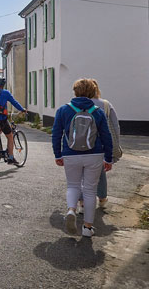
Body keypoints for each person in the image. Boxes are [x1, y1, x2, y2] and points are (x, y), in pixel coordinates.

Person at [52, 78, 113, 238]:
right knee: (90, 190)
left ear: (75, 91)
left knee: (73, 185)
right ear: (93, 93)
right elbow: (106, 136)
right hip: (94, 154)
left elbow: (56, 134)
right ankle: (87, 228)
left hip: (70, 154)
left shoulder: (63, 110)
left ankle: (71, 210)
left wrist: (58, 154)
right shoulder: (98, 112)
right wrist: (108, 157)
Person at [77, 79, 121, 214]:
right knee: (100, 173)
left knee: (80, 174)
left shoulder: (76, 105)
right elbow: (115, 126)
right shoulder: (106, 105)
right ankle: (102, 198)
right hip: (100, 146)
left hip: (80, 144)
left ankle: (82, 203)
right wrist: (115, 145)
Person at [0, 77, 26, 164]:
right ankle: (11, 158)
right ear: (3, 84)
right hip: (1, 119)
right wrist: (22, 109)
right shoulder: (5, 93)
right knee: (10, 136)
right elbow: (14, 102)